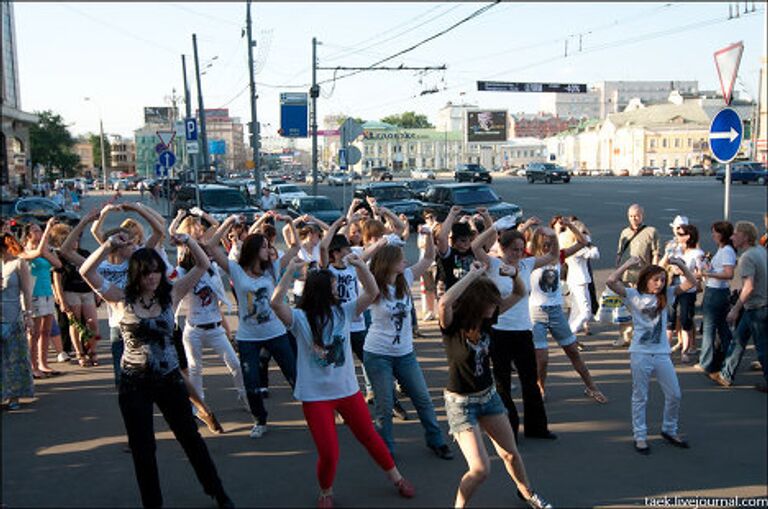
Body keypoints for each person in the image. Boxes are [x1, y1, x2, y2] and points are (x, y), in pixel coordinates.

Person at [79, 232, 233, 508]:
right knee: (143, 448)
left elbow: (201, 265)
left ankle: (218, 492)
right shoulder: (120, 298)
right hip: (134, 382)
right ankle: (153, 503)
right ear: (136, 274)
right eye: (146, 273)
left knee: (191, 439)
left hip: (169, 379)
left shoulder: (171, 294)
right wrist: (108, 245)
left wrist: (188, 240)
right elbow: (85, 271)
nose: (152, 277)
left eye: (156, 271)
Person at [270, 254, 415, 508]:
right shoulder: (300, 319)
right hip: (316, 397)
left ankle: (397, 478)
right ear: (323, 291)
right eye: (335, 287)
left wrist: (360, 266)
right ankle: (326, 491)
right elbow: (275, 303)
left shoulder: (344, 312)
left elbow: (371, 292)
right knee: (329, 453)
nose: (339, 290)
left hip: (347, 391)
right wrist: (289, 271)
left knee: (370, 436)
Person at [438, 260, 552, 509]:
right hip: (461, 404)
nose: (495, 306)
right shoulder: (452, 326)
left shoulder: (488, 320)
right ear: (477, 302)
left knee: (510, 453)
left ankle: (528, 493)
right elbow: (444, 302)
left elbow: (520, 293)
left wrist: (514, 274)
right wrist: (472, 275)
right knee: (480, 469)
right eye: (490, 301)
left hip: (488, 397)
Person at [363, 233, 454, 459]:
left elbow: (429, 257)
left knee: (422, 399)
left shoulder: (406, 278)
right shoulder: (372, 285)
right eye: (401, 258)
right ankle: (386, 450)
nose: (405, 261)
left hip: (405, 354)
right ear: (388, 262)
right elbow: (355, 265)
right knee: (384, 407)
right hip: (378, 354)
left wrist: (429, 235)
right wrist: (381, 242)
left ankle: (436, 440)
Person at [471, 218, 556, 440]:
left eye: (521, 249)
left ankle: (537, 428)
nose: (518, 253)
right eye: (513, 250)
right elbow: (474, 247)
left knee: (530, 380)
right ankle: (508, 430)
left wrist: (552, 235)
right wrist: (494, 227)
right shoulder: (494, 264)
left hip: (523, 330)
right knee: (502, 383)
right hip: (499, 331)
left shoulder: (527, 265)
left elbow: (553, 256)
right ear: (504, 248)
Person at [607, 255, 697, 454]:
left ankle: (669, 429)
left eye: (663, 280)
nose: (660, 284)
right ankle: (640, 436)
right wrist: (628, 264)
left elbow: (692, 283)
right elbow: (611, 281)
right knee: (640, 396)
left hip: (662, 353)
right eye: (656, 279)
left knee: (675, 394)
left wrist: (681, 265)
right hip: (640, 353)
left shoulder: (667, 295)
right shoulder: (633, 295)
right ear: (645, 279)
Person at [216, 231, 297, 439]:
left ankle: (319, 410)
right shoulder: (236, 270)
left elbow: (295, 247)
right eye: (263, 246)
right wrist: (228, 224)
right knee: (251, 383)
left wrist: (289, 223)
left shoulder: (272, 270)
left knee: (295, 375)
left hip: (276, 333)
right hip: (248, 337)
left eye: (268, 246)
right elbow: (210, 246)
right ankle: (260, 420)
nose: (268, 250)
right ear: (252, 250)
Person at [172, 214, 247, 411]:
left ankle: (245, 395)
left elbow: (222, 255)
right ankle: (199, 407)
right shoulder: (181, 272)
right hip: (193, 328)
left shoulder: (213, 268)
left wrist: (229, 223)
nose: (205, 257)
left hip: (215, 327)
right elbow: (170, 281)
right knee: (195, 370)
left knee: (235, 364)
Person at [528, 220, 607, 403]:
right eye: (544, 242)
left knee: (572, 351)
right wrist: (530, 229)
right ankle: (540, 387)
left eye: (551, 242)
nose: (547, 245)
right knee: (542, 358)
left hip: (556, 311)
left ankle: (591, 386)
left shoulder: (559, 256)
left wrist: (570, 227)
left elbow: (582, 242)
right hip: (536, 312)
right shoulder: (530, 258)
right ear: (538, 242)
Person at [709, 221, 768, 392]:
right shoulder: (761, 251)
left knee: (762, 347)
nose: (732, 237)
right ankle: (726, 375)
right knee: (738, 340)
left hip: (757, 307)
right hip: (757, 305)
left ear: (745, 237)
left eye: (735, 234)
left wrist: (735, 309)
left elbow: (749, 287)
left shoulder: (747, 257)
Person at [51, 215, 101, 367]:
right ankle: (80, 353)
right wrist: (61, 299)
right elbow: (57, 279)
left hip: (87, 291)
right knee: (76, 324)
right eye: (72, 240)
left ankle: (92, 350)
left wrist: (97, 293)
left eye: (77, 240)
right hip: (70, 291)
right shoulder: (61, 256)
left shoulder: (85, 253)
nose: (75, 242)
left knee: (93, 323)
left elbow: (94, 273)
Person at [20, 219, 64, 378]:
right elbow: (36, 253)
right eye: (35, 231)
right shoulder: (23, 251)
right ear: (27, 235)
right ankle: (32, 365)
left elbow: (58, 264)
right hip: (34, 294)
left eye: (40, 230)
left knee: (46, 331)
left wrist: (46, 251)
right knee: (35, 332)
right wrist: (48, 229)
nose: (39, 233)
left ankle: (43, 363)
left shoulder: (46, 249)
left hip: (47, 292)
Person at [614, 204, 660, 347]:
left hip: (643, 276)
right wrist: (617, 272)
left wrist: (653, 273)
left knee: (643, 308)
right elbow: (619, 253)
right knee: (624, 308)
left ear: (642, 215)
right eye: (631, 216)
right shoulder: (624, 232)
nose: (634, 218)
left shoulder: (651, 231)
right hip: (626, 276)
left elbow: (656, 253)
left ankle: (641, 336)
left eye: (637, 215)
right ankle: (624, 336)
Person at [696, 221, 736, 374]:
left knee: (709, 328)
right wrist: (708, 267)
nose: (712, 235)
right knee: (723, 329)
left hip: (716, 292)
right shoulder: (724, 249)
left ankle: (706, 363)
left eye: (715, 232)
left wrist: (707, 273)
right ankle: (727, 360)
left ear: (722, 234)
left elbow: (728, 274)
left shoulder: (726, 250)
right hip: (718, 292)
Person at [661, 223, 704, 363]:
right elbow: (662, 265)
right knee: (670, 320)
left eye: (680, 234)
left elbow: (700, 274)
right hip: (672, 286)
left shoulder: (697, 253)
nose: (677, 237)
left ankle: (685, 351)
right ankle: (665, 351)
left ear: (688, 236)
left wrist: (684, 272)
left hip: (688, 289)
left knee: (685, 319)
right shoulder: (675, 250)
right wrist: (668, 256)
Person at [1, 233, 35, 410]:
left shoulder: (18, 263)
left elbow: (26, 292)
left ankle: (14, 396)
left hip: (13, 317)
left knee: (14, 359)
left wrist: (28, 315)